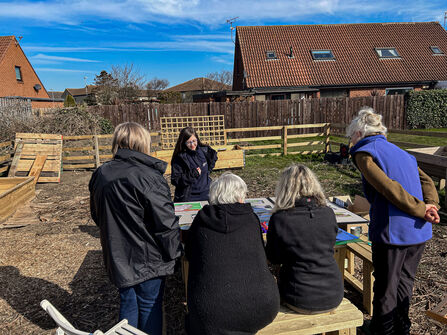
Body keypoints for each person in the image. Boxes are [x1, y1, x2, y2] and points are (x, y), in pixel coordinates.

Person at [347, 107, 440, 335]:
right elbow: (426, 180)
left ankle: (383, 331)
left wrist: (421, 209)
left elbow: (389, 189)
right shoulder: (402, 152)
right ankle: (401, 328)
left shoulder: (365, 154)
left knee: (386, 287)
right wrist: (432, 205)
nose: (350, 140)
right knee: (404, 282)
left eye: (351, 136)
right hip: (419, 233)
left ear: (359, 133)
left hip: (392, 232)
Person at [89, 122, 182, 335]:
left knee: (128, 303)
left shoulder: (101, 173)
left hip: (118, 256)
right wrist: (176, 254)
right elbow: (166, 224)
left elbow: (97, 216)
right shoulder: (149, 177)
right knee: (149, 306)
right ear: (143, 143)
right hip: (149, 259)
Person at [185, 172, 280, 335]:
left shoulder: (202, 220)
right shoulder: (251, 218)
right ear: (239, 195)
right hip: (263, 306)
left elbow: (189, 253)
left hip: (211, 313)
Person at [266, 164, 344, 314]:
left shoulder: (280, 219)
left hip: (299, 296)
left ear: (285, 188)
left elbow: (273, 258)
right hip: (334, 293)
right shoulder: (328, 213)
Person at [171, 127, 218, 202]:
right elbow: (175, 180)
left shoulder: (204, 151)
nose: (192, 145)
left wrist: (207, 172)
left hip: (207, 194)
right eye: (189, 142)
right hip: (190, 197)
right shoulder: (179, 158)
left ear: (197, 139)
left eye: (194, 141)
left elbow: (212, 160)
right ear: (183, 142)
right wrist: (191, 175)